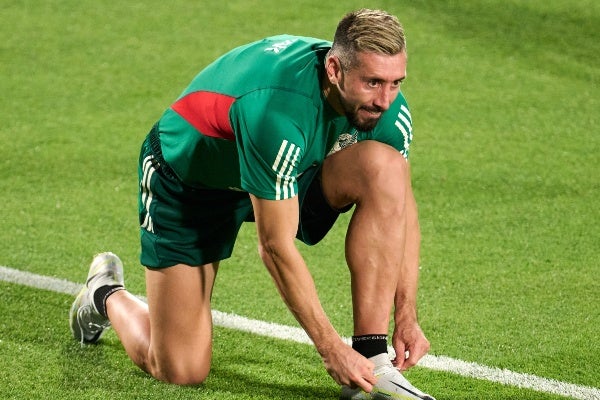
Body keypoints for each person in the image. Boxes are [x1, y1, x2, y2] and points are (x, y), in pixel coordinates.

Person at [69, 8, 435, 400]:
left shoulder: (389, 112)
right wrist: (330, 349)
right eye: (373, 82)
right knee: (180, 368)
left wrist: (406, 313)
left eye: (396, 82)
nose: (385, 100)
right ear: (334, 69)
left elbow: (400, 206)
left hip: (289, 167)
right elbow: (275, 246)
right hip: (190, 185)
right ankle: (104, 293)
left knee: (387, 170)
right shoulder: (277, 112)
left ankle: (373, 360)